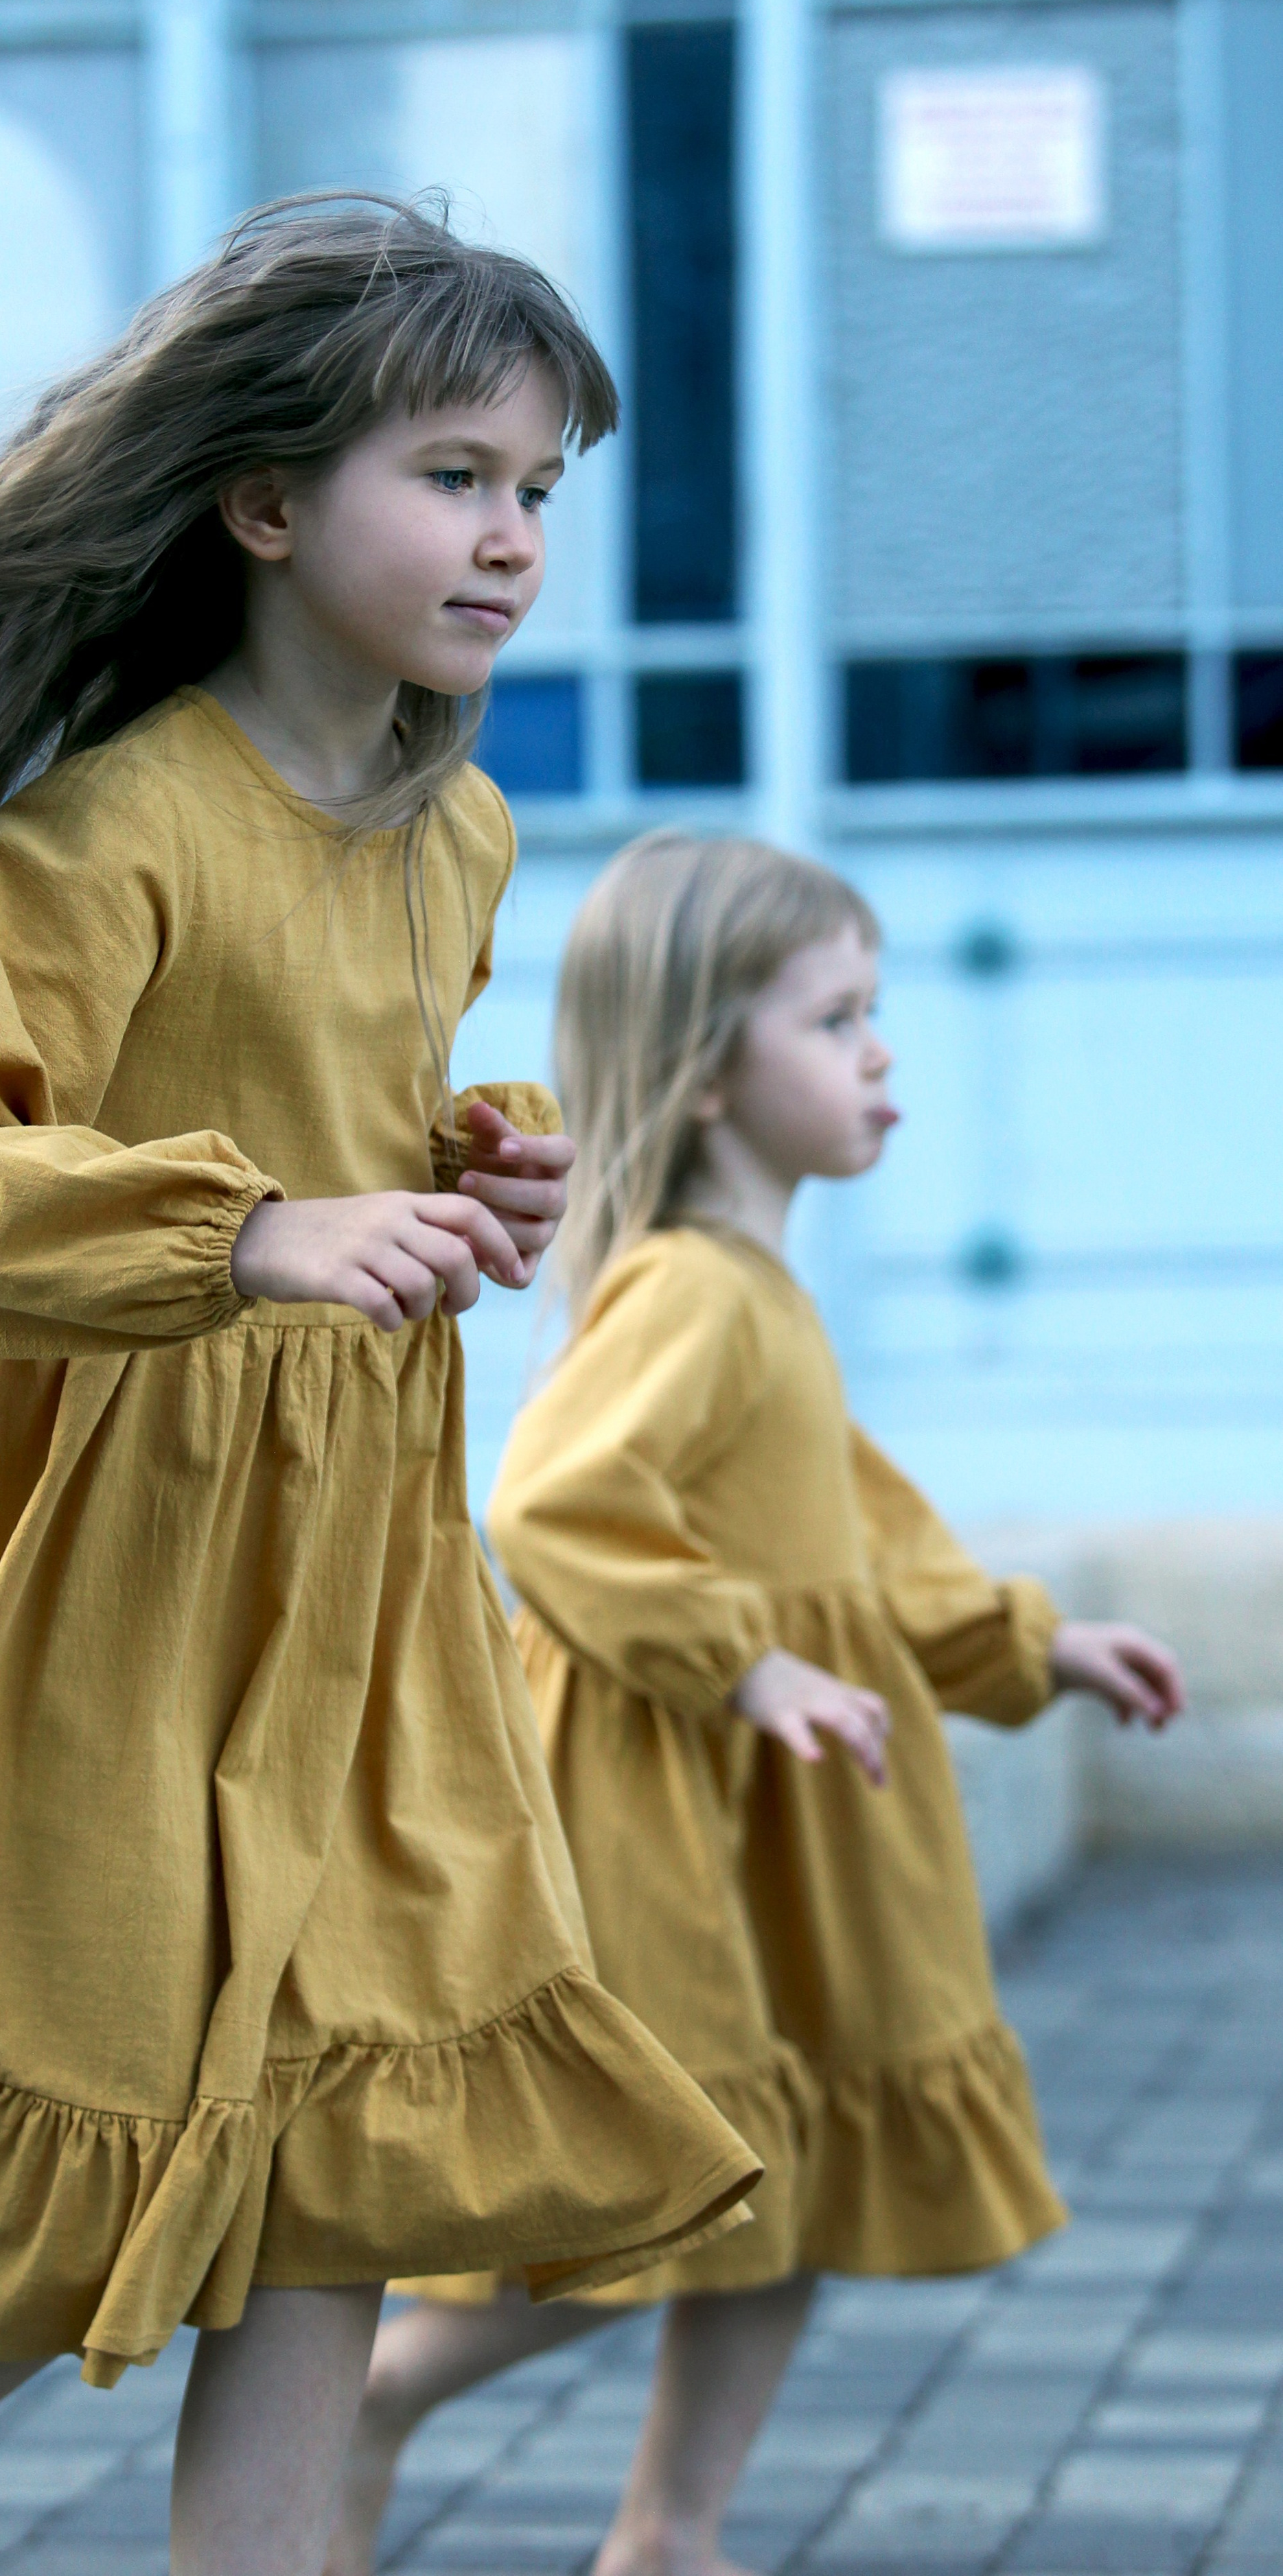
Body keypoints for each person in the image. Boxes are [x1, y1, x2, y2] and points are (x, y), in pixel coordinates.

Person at [0, 210, 763, 2576]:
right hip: (103, 1551)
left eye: (540, 488)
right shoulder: (106, 828)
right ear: (267, 501)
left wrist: (462, 1168)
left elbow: (332, 1096)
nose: (513, 537)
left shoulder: (459, 827)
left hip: (357, 1561)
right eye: (454, 475)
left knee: (341, 2127)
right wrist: (256, 1234)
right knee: (73, 2115)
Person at [330, 832, 1185, 2576]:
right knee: (666, 2183)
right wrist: (745, 1659)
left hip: (775, 1814)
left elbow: (860, 1536)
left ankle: (669, 2535)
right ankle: (365, 2402)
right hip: (672, 1813)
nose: (878, 1052)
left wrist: (1024, 1648)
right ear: (707, 1069)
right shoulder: (692, 1292)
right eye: (834, 1018)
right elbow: (550, 1499)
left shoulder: (758, 1290)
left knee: (787, 2178)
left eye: (872, 1013)